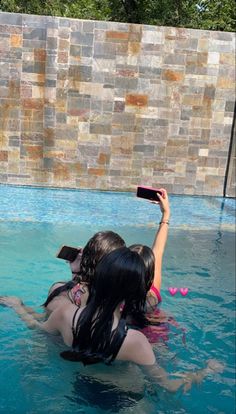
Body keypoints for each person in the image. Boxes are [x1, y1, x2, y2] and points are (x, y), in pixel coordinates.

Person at [0, 248, 223, 392]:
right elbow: (170, 386)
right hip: (122, 401)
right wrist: (205, 371)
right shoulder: (135, 341)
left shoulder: (65, 313)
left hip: (78, 388)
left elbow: (38, 329)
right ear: (134, 295)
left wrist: (18, 306)